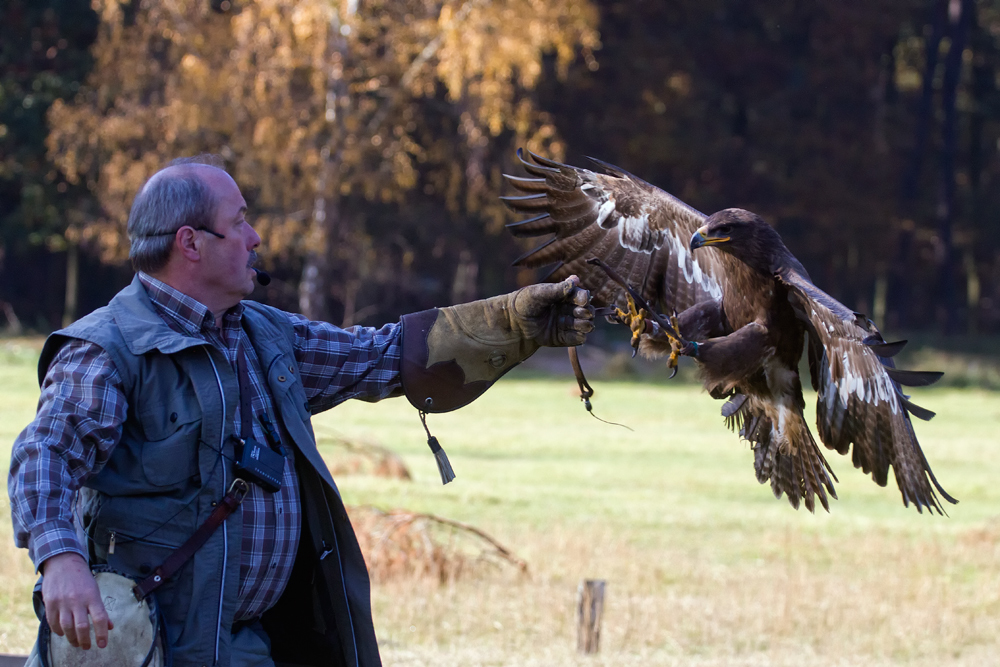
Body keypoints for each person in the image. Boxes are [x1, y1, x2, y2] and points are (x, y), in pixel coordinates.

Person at [8, 157, 595, 667]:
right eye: (238, 222)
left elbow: (385, 355)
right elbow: (46, 454)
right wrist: (60, 561)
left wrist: (517, 323)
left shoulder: (266, 336)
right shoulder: (109, 348)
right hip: (151, 648)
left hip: (252, 644)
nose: (255, 236)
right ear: (190, 244)